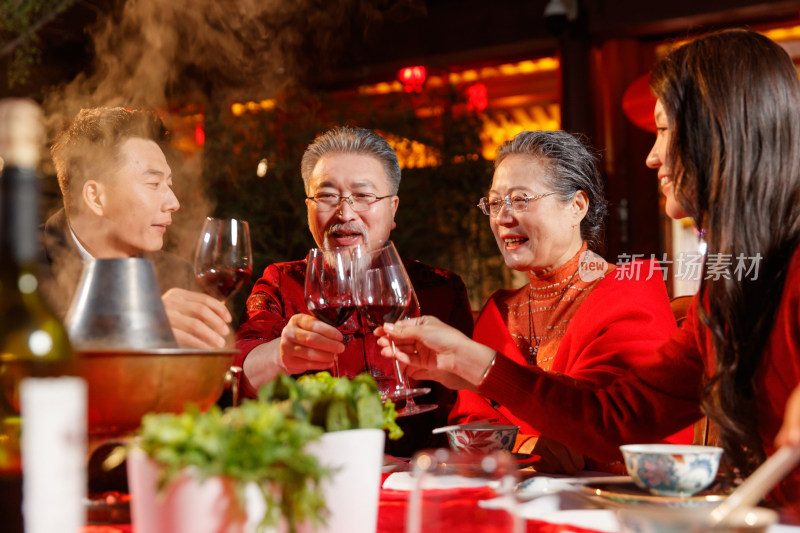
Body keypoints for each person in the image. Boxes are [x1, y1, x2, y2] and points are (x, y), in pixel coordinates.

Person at [379, 29, 800, 511]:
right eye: (495, 202)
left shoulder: (639, 284)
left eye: (664, 130)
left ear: (721, 132)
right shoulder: (728, 289)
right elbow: (614, 415)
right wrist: (472, 363)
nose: (652, 155)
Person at [441, 130, 686, 473]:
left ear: (577, 206)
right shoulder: (499, 313)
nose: (501, 217)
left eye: (521, 200)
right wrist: (531, 445)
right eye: (495, 203)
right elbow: (469, 422)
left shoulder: (629, 290)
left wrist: (519, 445)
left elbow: (613, 419)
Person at [235, 126, 474, 456]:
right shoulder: (283, 281)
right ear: (308, 207)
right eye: (327, 196)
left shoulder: (440, 289)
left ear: (393, 209)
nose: (344, 213)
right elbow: (237, 373)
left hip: (419, 477)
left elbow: (472, 404)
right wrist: (281, 355)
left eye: (363, 196)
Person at [42, 107, 231, 349]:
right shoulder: (17, 267)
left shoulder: (178, 275)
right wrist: (139, 321)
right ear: (96, 197)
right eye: (153, 183)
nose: (174, 203)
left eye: (169, 184)